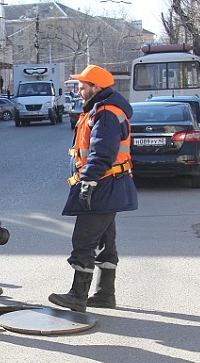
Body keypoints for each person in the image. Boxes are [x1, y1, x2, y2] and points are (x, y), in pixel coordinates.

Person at [48, 64, 138, 313]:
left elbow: (102, 153)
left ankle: (78, 296)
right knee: (106, 241)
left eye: (82, 86)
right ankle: (104, 294)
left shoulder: (106, 113)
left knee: (84, 240)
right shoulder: (102, 109)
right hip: (111, 183)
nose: (78, 91)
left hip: (102, 183)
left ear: (96, 87)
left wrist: (87, 182)